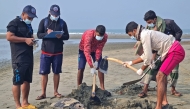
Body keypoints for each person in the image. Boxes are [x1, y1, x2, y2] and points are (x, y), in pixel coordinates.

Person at [124, 21, 185, 109]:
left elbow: (148, 58)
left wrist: (141, 69)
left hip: (175, 51)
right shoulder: (145, 33)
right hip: (169, 52)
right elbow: (146, 55)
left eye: (130, 35)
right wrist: (131, 62)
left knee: (159, 76)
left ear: (134, 30)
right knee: (161, 77)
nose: (131, 37)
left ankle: (158, 107)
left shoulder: (144, 35)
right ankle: (164, 101)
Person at [137, 10, 183, 98]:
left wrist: (174, 43)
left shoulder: (169, 23)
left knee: (174, 70)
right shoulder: (149, 28)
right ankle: (145, 89)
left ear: (155, 19)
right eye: (147, 23)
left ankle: (173, 89)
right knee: (151, 66)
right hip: (158, 51)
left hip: (172, 50)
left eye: (150, 22)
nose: (149, 24)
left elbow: (179, 32)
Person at [6, 5, 38, 109]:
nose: (31, 19)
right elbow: (9, 37)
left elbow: (28, 37)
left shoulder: (28, 25)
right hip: (18, 57)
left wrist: (31, 40)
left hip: (28, 56)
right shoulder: (14, 23)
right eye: (29, 17)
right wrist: (25, 40)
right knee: (17, 81)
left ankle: (25, 103)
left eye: (32, 18)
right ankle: (18, 105)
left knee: (27, 80)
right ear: (23, 14)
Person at [36, 4, 69, 100]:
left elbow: (67, 36)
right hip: (45, 52)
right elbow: (38, 35)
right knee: (44, 73)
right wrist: (47, 33)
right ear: (49, 12)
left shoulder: (63, 23)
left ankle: (55, 91)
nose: (55, 16)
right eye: (54, 14)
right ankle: (43, 93)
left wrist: (61, 36)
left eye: (57, 14)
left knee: (56, 72)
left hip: (58, 52)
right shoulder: (44, 21)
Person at [77, 25, 111, 96]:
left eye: (101, 36)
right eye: (98, 35)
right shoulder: (89, 35)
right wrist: (91, 66)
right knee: (81, 68)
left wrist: (97, 60)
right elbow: (87, 52)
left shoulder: (105, 37)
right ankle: (78, 87)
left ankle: (102, 87)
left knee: (100, 68)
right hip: (83, 50)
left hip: (95, 50)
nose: (100, 37)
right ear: (95, 32)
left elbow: (99, 48)